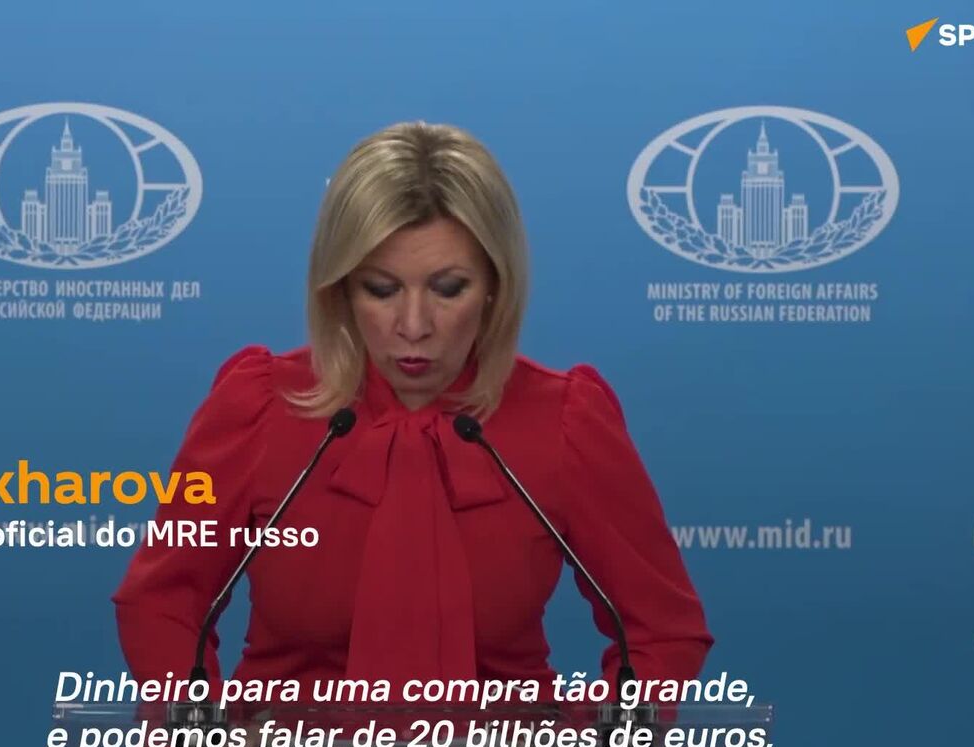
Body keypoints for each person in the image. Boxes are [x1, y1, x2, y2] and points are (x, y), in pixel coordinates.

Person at [112, 120, 712, 700]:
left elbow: (663, 632)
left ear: (496, 285)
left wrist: (584, 743)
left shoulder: (566, 420)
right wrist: (203, 736)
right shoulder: (258, 408)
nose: (414, 325)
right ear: (340, 288)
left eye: (448, 289)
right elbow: (162, 602)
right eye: (381, 289)